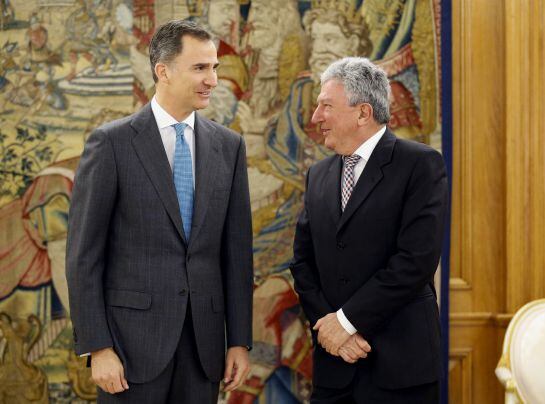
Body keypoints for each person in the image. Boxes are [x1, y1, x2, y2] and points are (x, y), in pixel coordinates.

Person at [66, 19, 253, 403]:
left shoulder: (229, 147)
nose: (212, 79)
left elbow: (236, 255)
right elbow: (84, 255)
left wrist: (239, 341)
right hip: (129, 349)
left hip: (203, 350)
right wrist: (98, 347)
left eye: (214, 67)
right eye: (200, 68)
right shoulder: (112, 143)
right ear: (162, 71)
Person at [290, 57, 448, 403]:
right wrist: (331, 330)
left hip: (400, 369)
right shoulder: (318, 175)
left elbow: (415, 261)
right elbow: (302, 263)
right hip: (334, 368)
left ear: (363, 113)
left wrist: (346, 322)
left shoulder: (420, 164)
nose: (316, 117)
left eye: (326, 106)